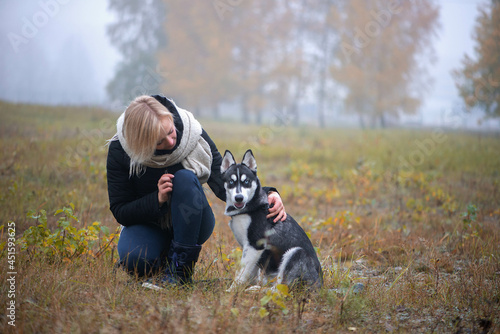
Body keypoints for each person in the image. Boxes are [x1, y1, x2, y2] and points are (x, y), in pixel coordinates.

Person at [106, 95, 287, 286]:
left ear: (171, 118)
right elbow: (121, 210)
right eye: (159, 142)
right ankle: (164, 260)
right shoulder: (121, 149)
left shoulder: (192, 133)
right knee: (136, 261)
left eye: (170, 131)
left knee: (184, 177)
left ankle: (179, 272)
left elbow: (222, 182)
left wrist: (268, 194)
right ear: (141, 144)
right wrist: (157, 199)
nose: (170, 142)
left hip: (193, 219)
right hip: (149, 223)